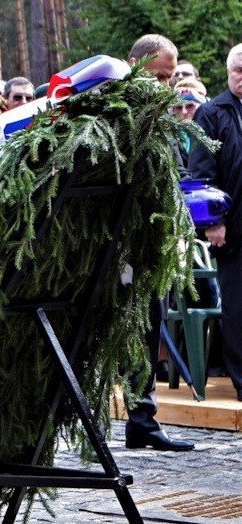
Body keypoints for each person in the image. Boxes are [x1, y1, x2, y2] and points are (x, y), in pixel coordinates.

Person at [123, 34, 194, 450]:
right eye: (158, 76)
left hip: (156, 245)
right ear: (134, 65)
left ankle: (142, 421)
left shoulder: (164, 118)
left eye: (170, 78)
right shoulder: (117, 116)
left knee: (150, 328)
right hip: (120, 247)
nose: (165, 86)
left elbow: (176, 174)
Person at [190, 42, 242, 404]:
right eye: (239, 70)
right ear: (227, 72)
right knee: (238, 308)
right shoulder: (211, 113)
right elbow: (202, 172)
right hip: (233, 227)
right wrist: (213, 222)